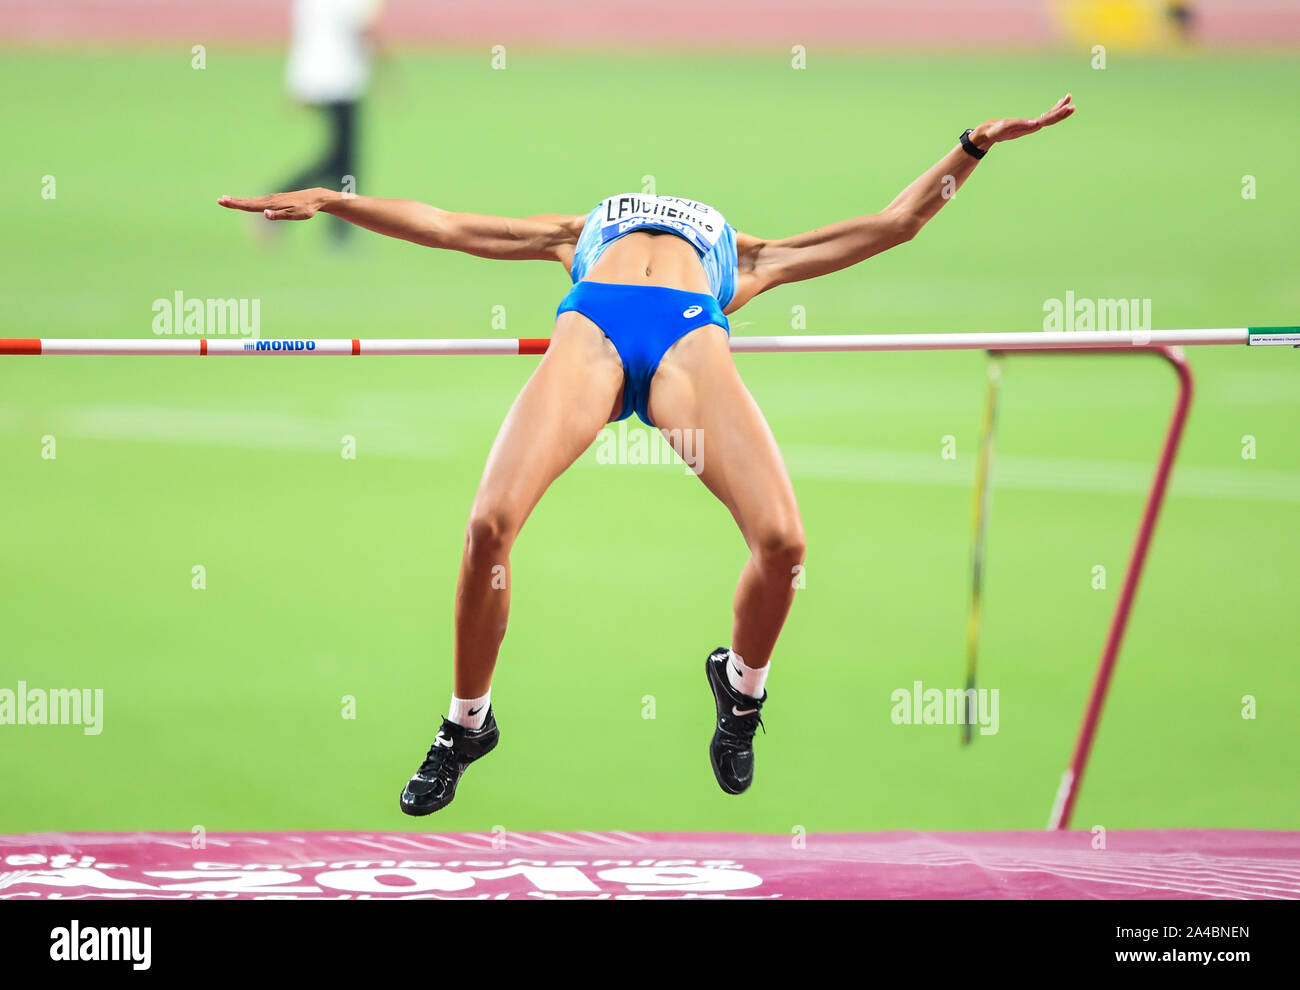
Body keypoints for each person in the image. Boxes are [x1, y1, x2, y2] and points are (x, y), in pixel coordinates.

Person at [218, 94, 1075, 814]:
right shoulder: (572, 233)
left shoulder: (752, 259)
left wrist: (972, 148)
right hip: (590, 335)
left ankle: (740, 691)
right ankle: (467, 723)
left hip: (687, 347)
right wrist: (335, 202)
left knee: (784, 544)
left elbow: (897, 224)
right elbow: (444, 226)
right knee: (487, 526)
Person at [279, 0, 382, 242]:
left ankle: (340, 227)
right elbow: (363, 29)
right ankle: (281, 203)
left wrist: (296, 83)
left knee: (342, 157)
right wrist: (387, 73)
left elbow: (305, 33)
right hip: (343, 80)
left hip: (317, 76)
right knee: (342, 158)